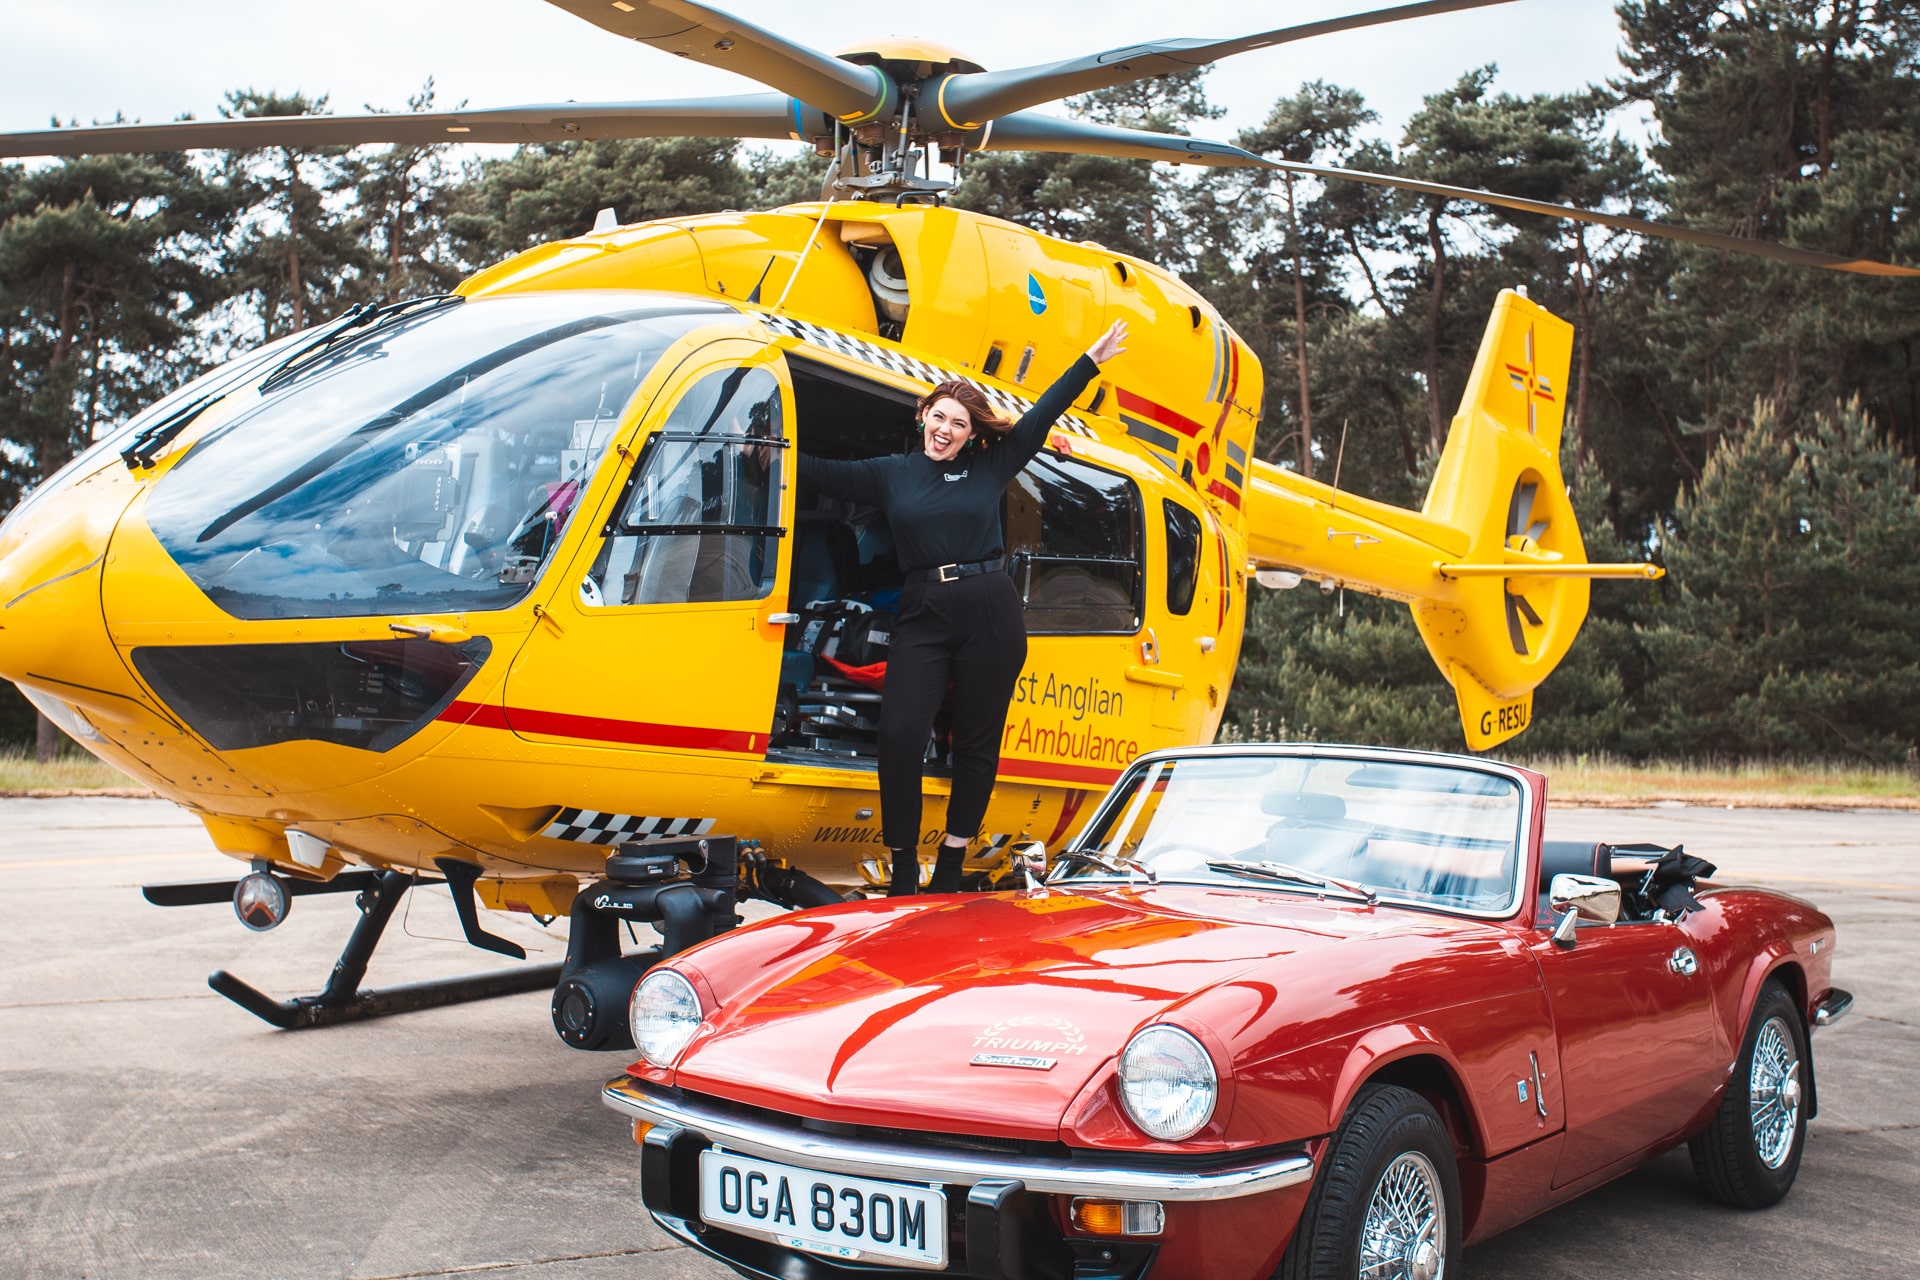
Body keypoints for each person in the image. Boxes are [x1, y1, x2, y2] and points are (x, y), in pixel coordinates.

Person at [799, 320, 1129, 895]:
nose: (945, 429)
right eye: (939, 416)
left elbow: (1041, 416)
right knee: (901, 734)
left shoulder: (989, 468)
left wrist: (1089, 363)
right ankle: (904, 864)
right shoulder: (892, 474)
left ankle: (951, 863)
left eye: (959, 422)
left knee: (977, 743)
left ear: (972, 434)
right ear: (922, 415)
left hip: (990, 609)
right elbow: (822, 472)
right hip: (923, 607)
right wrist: (759, 444)